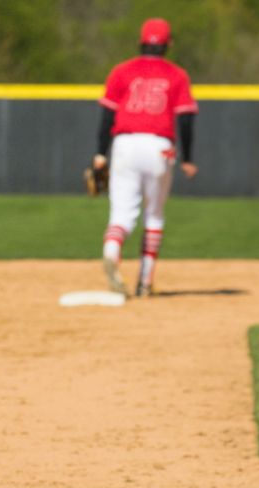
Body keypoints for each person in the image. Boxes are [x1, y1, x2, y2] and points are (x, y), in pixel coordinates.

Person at [93, 17, 198, 298]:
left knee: (122, 214)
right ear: (169, 44)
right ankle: (145, 282)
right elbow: (185, 120)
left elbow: (107, 116)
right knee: (154, 215)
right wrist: (187, 158)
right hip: (159, 148)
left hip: (125, 144)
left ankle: (111, 250)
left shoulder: (122, 71)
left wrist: (100, 154)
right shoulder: (177, 75)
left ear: (141, 42)